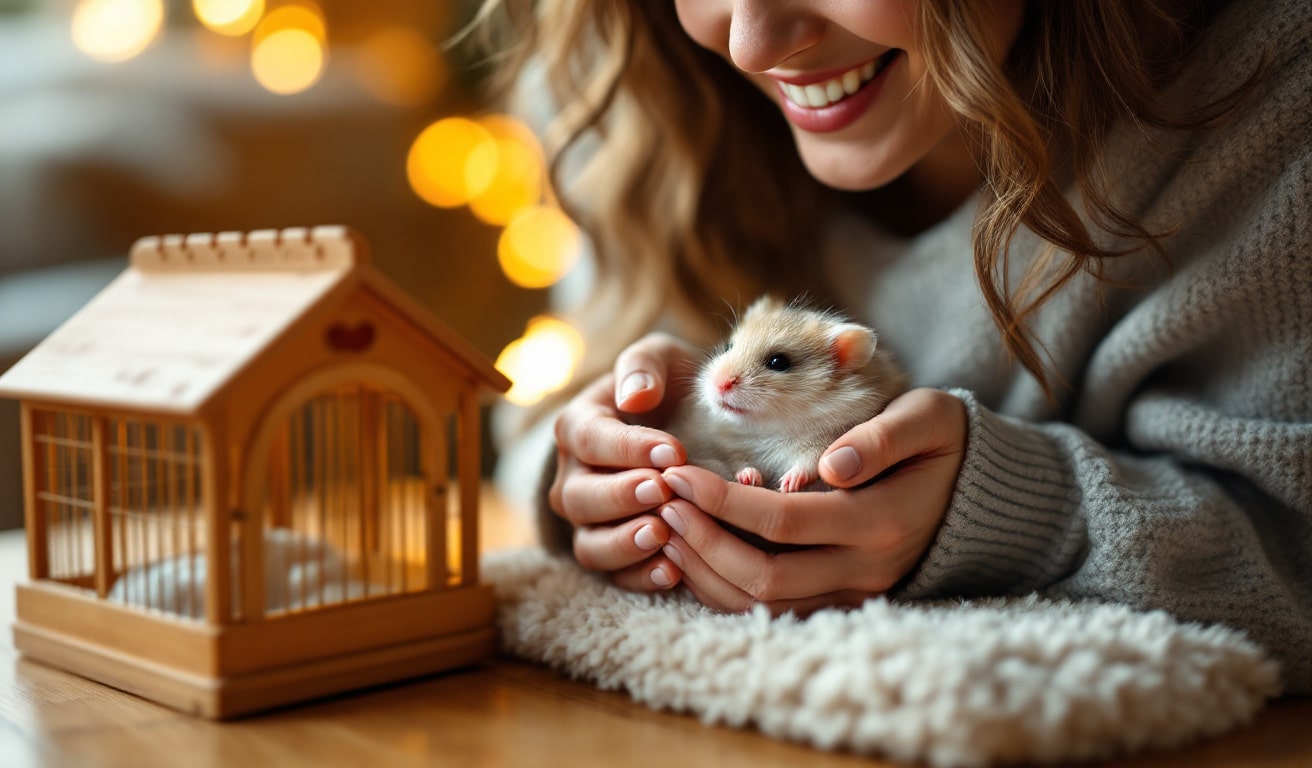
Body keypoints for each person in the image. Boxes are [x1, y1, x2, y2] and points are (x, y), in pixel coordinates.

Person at [476, 0, 1312, 694]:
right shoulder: (627, 83)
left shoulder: (1271, 87)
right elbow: (555, 392)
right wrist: (588, 473)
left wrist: (1027, 516)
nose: (749, 41)